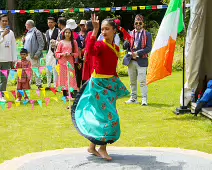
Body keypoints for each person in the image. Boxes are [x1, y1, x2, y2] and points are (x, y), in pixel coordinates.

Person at [71, 14, 129, 161]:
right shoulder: (99, 45)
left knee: (103, 116)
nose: (104, 32)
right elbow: (89, 51)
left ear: (114, 30)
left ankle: (92, 147)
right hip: (98, 86)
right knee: (111, 118)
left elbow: (111, 66)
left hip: (110, 85)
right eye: (102, 29)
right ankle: (102, 148)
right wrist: (94, 31)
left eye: (107, 29)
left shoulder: (115, 47)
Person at [123, 14, 152, 106]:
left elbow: (148, 48)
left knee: (143, 81)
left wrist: (138, 53)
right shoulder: (130, 34)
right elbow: (125, 47)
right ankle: (133, 98)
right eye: (136, 23)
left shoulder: (147, 34)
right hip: (131, 60)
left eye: (140, 23)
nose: (138, 24)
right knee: (132, 81)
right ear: (134, 24)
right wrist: (126, 43)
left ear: (143, 24)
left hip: (142, 61)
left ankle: (144, 99)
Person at [55, 25, 79, 98]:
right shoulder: (61, 42)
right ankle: (65, 94)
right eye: (66, 32)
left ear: (71, 34)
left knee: (71, 77)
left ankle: (72, 93)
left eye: (69, 32)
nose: (67, 34)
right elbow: (57, 53)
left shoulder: (74, 42)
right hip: (62, 63)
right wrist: (63, 54)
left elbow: (77, 53)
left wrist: (71, 54)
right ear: (64, 33)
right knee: (63, 78)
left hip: (70, 63)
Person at [23, 19, 44, 89]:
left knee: (36, 70)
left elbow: (42, 44)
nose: (25, 25)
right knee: (28, 70)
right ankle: (28, 84)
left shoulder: (37, 32)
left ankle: (39, 84)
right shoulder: (28, 32)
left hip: (34, 55)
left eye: (26, 24)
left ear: (29, 25)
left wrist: (37, 54)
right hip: (27, 55)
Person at [0, 14, 17, 102]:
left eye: (6, 21)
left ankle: (1, 96)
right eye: (3, 21)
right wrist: (2, 35)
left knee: (4, 79)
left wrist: (14, 60)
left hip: (7, 59)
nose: (4, 22)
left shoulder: (11, 33)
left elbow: (13, 47)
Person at [45, 17, 60, 90]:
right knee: (48, 67)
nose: (50, 24)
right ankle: (48, 84)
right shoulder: (47, 32)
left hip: (55, 52)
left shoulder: (58, 31)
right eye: (48, 22)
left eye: (51, 22)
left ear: (55, 23)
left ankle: (55, 84)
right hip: (48, 52)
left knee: (55, 68)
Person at [81, 20, 94, 84]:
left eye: (85, 25)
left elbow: (88, 46)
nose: (84, 26)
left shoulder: (90, 33)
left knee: (88, 70)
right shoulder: (91, 33)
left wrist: (85, 56)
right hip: (90, 54)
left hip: (89, 55)